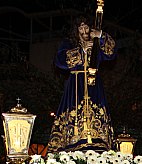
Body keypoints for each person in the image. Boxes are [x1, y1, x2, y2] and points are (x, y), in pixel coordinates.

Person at [49, 15, 116, 152]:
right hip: (75, 85)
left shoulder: (96, 44)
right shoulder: (69, 44)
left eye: (86, 27)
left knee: (96, 111)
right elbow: (60, 61)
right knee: (74, 113)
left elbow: (111, 53)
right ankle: (73, 141)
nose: (84, 31)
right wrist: (82, 50)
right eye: (81, 28)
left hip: (94, 86)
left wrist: (101, 35)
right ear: (76, 30)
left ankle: (98, 141)